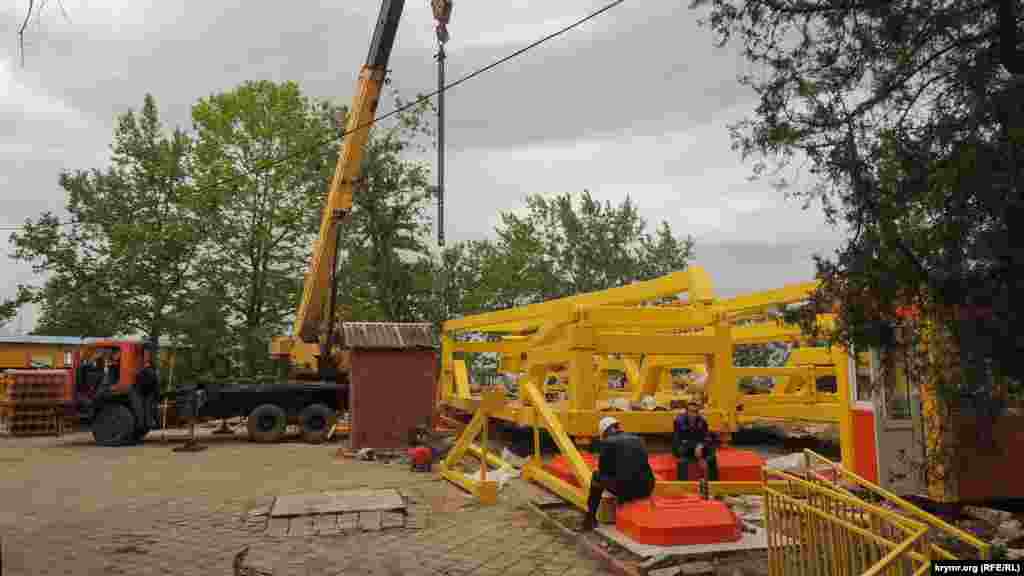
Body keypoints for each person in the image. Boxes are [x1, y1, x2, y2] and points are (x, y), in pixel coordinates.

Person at [583, 416, 656, 531]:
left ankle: (590, 518)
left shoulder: (607, 443)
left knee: (596, 476)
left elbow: (604, 471)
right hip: (647, 488)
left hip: (627, 491)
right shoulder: (638, 439)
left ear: (604, 432)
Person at [672, 401, 719, 482]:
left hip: (698, 446)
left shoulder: (702, 420)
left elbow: (707, 437)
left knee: (712, 455)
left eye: (696, 412)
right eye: (691, 411)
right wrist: (697, 447)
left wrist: (701, 445)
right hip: (683, 447)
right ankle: (683, 486)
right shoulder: (679, 421)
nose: (693, 414)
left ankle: (714, 484)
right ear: (686, 412)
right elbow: (681, 440)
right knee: (682, 457)